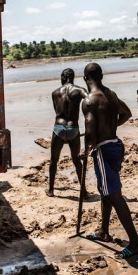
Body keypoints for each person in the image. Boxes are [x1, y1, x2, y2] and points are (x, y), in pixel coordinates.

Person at [81, 62, 138, 259]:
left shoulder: (89, 100)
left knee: (115, 195)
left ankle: (135, 243)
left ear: (85, 79)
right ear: (101, 76)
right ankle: (103, 231)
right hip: (116, 145)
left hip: (103, 150)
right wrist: (110, 127)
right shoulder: (111, 95)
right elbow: (126, 114)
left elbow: (90, 131)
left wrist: (85, 150)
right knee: (105, 191)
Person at [48, 68, 89, 199]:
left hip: (58, 128)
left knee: (54, 160)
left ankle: (51, 190)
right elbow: (89, 98)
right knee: (77, 161)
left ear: (63, 77)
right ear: (72, 77)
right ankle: (83, 192)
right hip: (73, 128)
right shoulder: (79, 90)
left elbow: (56, 111)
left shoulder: (55, 92)